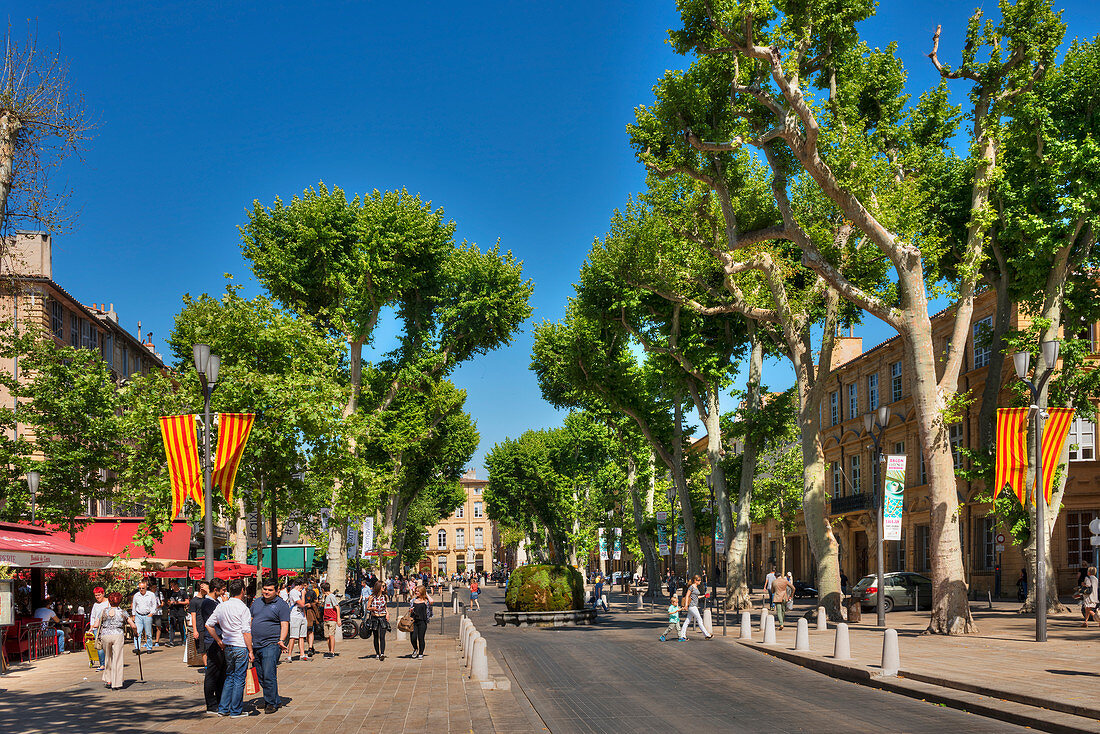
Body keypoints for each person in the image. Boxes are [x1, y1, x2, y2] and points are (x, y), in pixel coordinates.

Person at [206, 579, 255, 718]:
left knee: (229, 677)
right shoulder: (243, 608)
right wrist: (251, 651)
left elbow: (209, 624)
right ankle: (235, 710)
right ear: (242, 591)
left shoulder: (222, 606)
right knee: (239, 678)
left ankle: (223, 708)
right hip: (240, 645)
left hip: (227, 645)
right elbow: (246, 632)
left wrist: (219, 640)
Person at [249, 577, 290, 714]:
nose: (266, 592)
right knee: (260, 674)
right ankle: (274, 699)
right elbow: (251, 619)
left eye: (270, 590)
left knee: (268, 674)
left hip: (272, 644)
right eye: (265, 589)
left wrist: (281, 640)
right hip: (255, 644)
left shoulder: (281, 605)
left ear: (277, 591)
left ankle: (271, 703)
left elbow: (284, 624)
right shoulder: (256, 602)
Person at [92, 592, 137, 690]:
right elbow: (133, 625)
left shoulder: (104, 611)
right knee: (117, 659)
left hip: (105, 635)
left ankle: (109, 680)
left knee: (108, 658)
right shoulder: (123, 612)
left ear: (109, 601)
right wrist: (135, 633)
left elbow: (96, 625)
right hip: (117, 635)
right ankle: (116, 683)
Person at [202, 579, 227, 714]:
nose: (224, 592)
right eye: (222, 589)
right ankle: (211, 704)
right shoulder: (208, 603)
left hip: (219, 640)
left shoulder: (216, 602)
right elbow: (218, 619)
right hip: (213, 641)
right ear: (216, 590)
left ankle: (219, 700)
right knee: (212, 673)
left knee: (221, 672)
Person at [364, 580, 390, 661]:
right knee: (376, 636)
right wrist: (372, 608)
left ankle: (382, 653)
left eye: (384, 586)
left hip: (382, 617)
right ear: (378, 587)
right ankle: (377, 653)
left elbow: (385, 607)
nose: (384, 588)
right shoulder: (372, 597)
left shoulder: (385, 597)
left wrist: (387, 614)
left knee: (382, 636)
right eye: (383, 586)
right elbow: (367, 607)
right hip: (374, 618)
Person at [681, 575, 713, 639]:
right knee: (699, 620)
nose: (700, 581)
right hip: (692, 606)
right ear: (695, 581)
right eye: (699, 580)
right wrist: (686, 605)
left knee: (687, 621)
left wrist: (704, 596)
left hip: (694, 606)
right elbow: (687, 596)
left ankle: (682, 635)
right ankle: (706, 634)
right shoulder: (691, 587)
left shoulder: (696, 587)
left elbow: (696, 597)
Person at [130, 579, 158, 652]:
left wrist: (151, 613)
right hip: (138, 615)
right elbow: (134, 605)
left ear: (146, 588)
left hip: (147, 615)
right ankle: (137, 647)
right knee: (137, 632)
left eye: (143, 588)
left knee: (148, 633)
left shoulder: (151, 595)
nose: (141, 590)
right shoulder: (136, 595)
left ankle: (149, 647)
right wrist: (133, 615)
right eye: (139, 588)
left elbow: (154, 605)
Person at [286, 578, 310, 662]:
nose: (303, 588)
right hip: (295, 615)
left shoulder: (299, 592)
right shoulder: (293, 592)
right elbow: (302, 604)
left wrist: (305, 617)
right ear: (299, 585)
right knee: (293, 636)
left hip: (302, 616)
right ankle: (289, 655)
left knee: (302, 636)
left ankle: (302, 654)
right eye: (303, 586)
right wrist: (303, 595)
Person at [189, 580, 211, 666]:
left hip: (208, 626)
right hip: (200, 626)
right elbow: (193, 616)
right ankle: (206, 666)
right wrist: (195, 630)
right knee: (202, 649)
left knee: (209, 647)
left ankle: (209, 666)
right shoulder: (194, 601)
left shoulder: (207, 599)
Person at [409, 584, 431, 659]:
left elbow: (432, 601)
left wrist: (426, 594)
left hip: (422, 621)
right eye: (416, 591)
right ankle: (415, 648)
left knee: (421, 638)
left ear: (422, 592)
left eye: (418, 591)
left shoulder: (426, 601)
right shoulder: (413, 600)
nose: (416, 592)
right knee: (413, 637)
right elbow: (410, 610)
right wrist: (411, 610)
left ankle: (421, 653)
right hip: (414, 621)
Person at [89, 587, 109, 671]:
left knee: (107, 646)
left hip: (107, 627)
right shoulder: (95, 605)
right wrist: (91, 627)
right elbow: (92, 616)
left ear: (103, 594)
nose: (97, 597)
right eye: (96, 595)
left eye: (99, 595)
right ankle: (102, 664)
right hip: (97, 628)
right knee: (99, 646)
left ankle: (110, 662)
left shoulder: (108, 602)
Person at [321, 582, 341, 659]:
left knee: (331, 635)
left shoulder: (331, 596)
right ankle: (330, 650)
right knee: (327, 636)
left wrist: (338, 619)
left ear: (322, 589)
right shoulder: (326, 597)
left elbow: (337, 607)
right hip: (326, 618)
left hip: (332, 619)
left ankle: (332, 651)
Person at [166, 580, 189, 647]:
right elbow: (168, 601)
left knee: (182, 626)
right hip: (172, 611)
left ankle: (184, 640)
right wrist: (169, 603)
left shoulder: (182, 592)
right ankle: (171, 641)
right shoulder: (170, 593)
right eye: (171, 586)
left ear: (176, 585)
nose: (172, 587)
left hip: (180, 611)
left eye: (173, 585)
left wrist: (179, 603)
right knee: (172, 626)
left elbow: (187, 602)